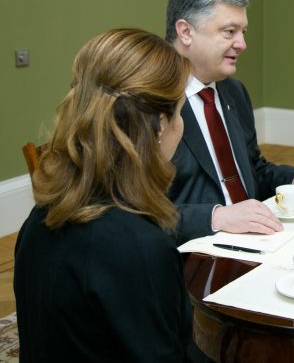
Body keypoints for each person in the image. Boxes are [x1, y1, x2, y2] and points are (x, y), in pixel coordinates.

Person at [14, 29, 193, 361]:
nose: (182, 126)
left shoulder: (39, 220)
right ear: (158, 126)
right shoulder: (141, 249)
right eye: (181, 111)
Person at [165, 0, 294, 243]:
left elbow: (253, 168)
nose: (242, 44)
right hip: (192, 252)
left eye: (243, 32)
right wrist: (216, 217)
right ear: (186, 32)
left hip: (258, 238)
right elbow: (129, 211)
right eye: (230, 32)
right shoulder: (148, 102)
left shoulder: (234, 92)